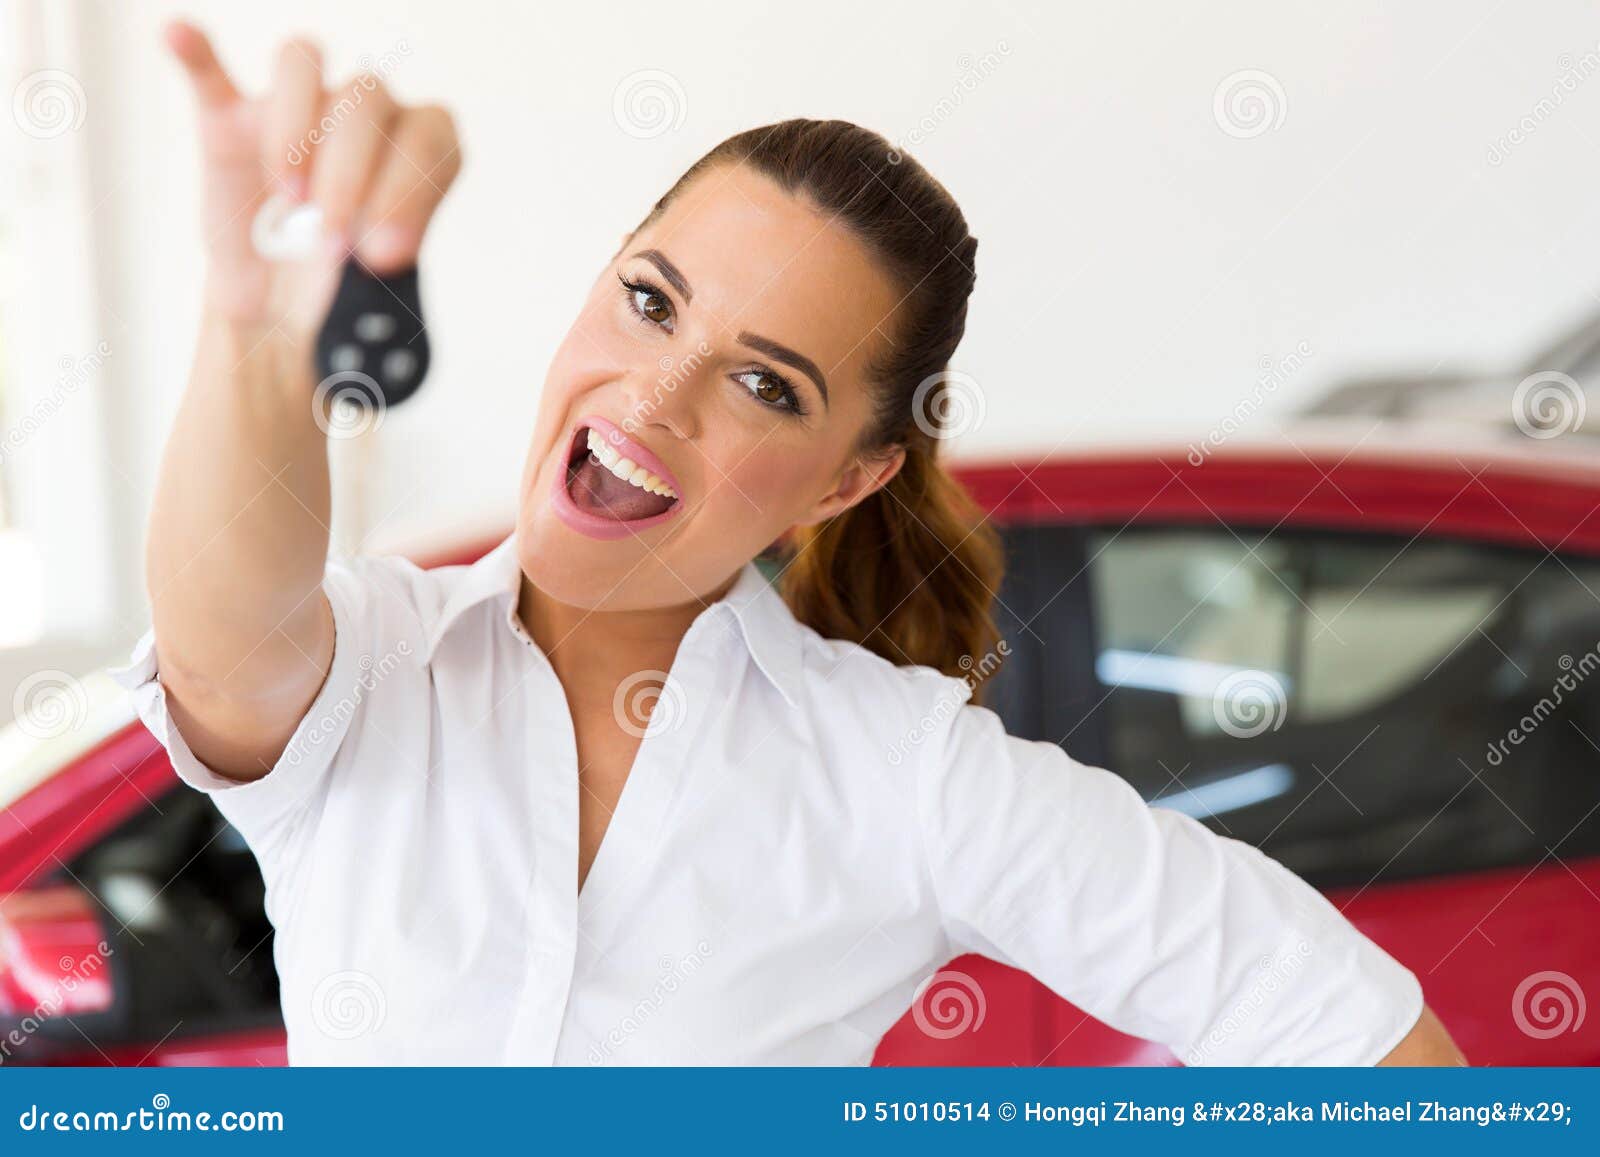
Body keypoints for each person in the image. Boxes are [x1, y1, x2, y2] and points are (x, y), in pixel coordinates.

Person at [115, 19, 1466, 1066]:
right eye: (649, 300)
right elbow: (230, 631)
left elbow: (1351, 1034)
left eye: (766, 385)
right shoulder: (377, 672)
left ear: (848, 478)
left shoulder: (902, 774)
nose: (654, 396)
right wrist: (257, 334)